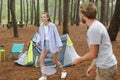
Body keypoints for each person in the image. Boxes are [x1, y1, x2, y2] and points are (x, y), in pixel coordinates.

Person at [72, 2, 117, 80]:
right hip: (107, 66)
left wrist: (79, 60)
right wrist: (92, 66)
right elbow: (97, 51)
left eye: (81, 13)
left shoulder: (93, 29)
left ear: (84, 14)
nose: (80, 15)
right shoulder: (97, 25)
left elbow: (93, 54)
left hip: (106, 69)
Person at [38, 12, 67, 80]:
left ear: (48, 18)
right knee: (41, 60)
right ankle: (44, 76)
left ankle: (63, 71)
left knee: (55, 61)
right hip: (45, 45)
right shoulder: (41, 26)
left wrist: (59, 45)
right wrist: (37, 42)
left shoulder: (52, 25)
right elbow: (40, 35)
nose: (43, 18)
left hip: (53, 44)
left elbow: (57, 35)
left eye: (44, 17)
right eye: (42, 17)